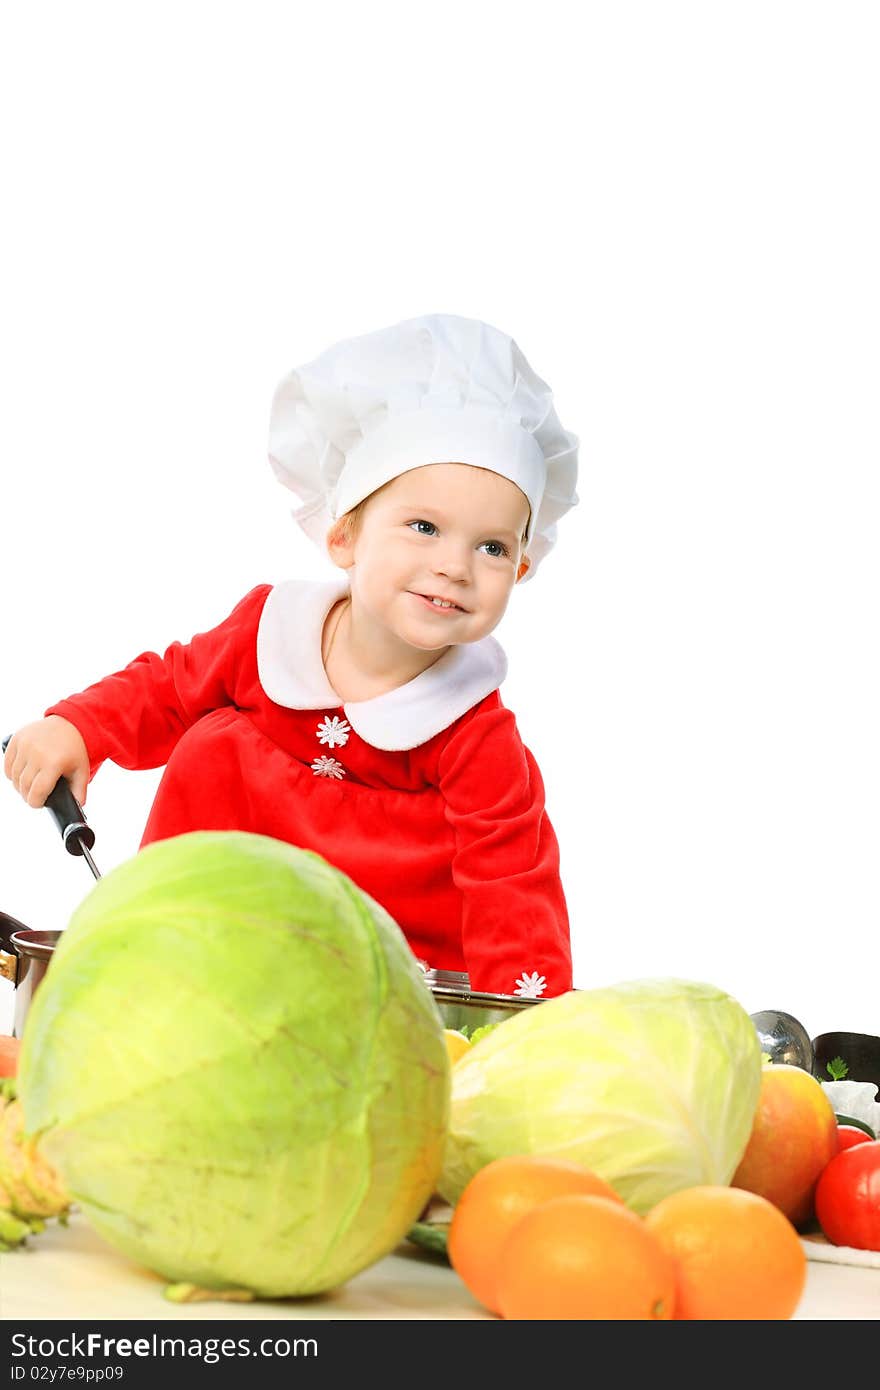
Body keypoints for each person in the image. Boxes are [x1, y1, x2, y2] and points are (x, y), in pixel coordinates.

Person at [3, 313, 579, 999]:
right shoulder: (268, 635)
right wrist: (79, 729)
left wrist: (517, 1026)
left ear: (520, 571)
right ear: (344, 539)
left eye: (493, 547)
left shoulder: (480, 745)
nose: (455, 565)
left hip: (379, 990)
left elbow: (512, 894)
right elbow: (168, 688)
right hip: (216, 940)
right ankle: (162, 955)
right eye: (423, 527)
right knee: (216, 737)